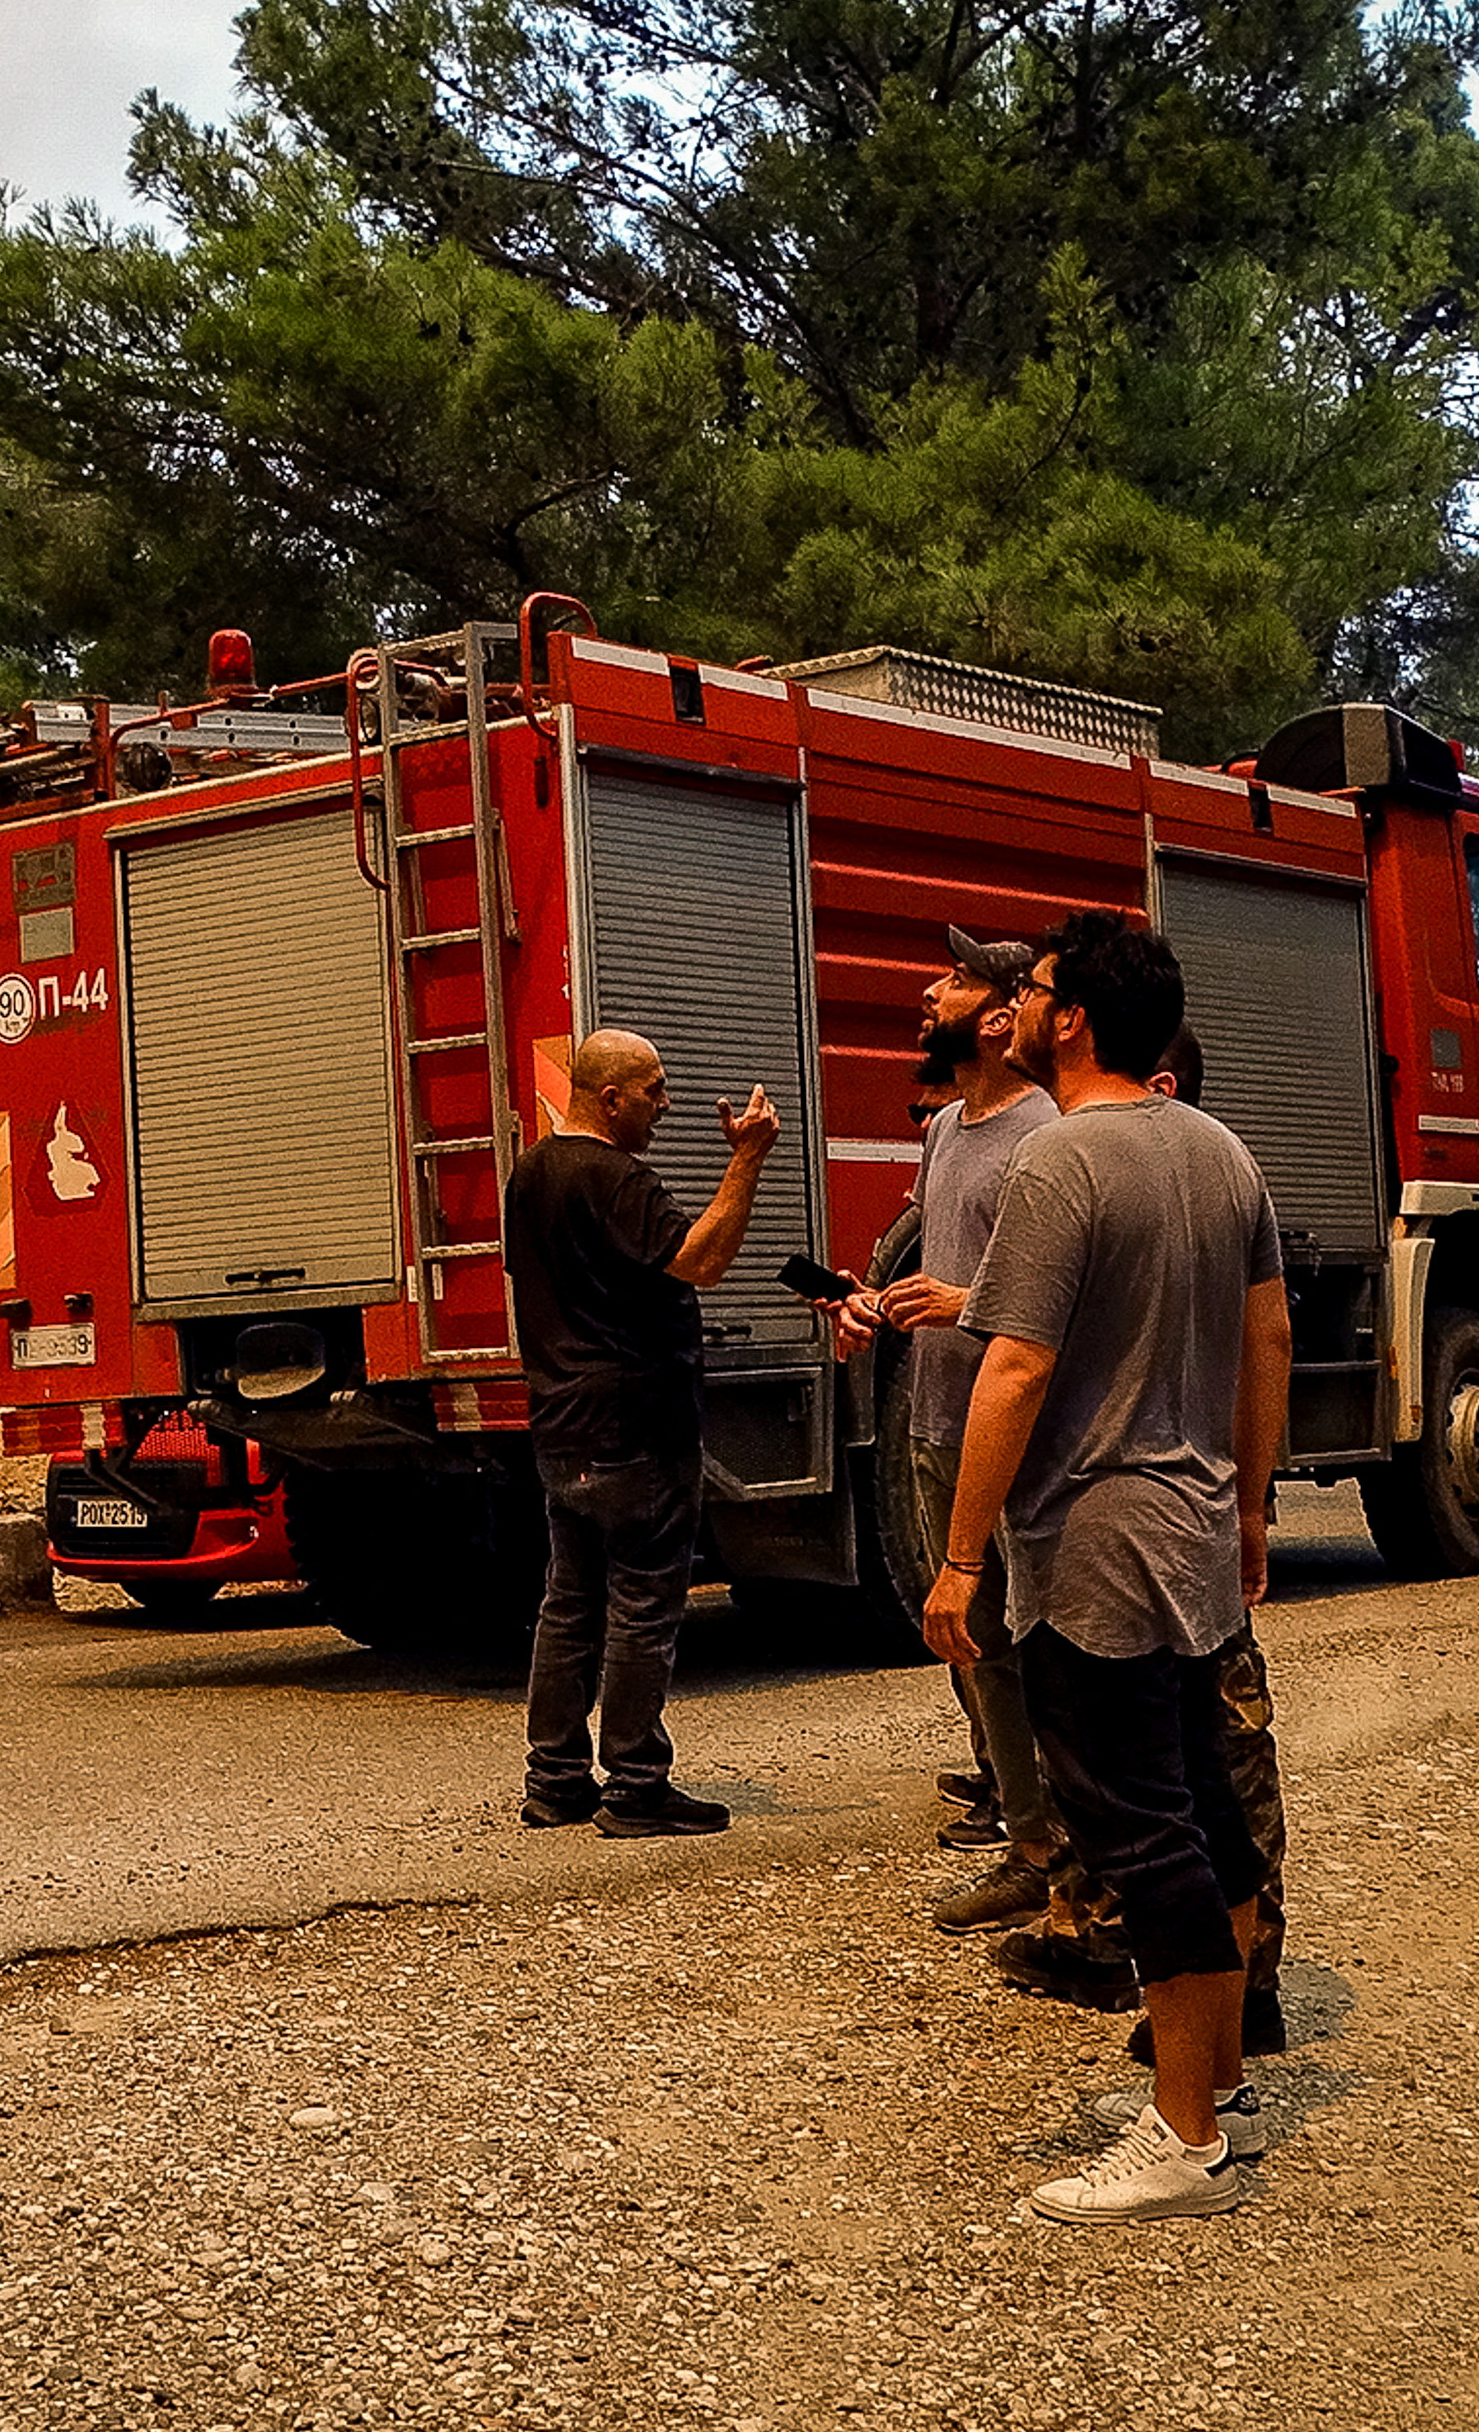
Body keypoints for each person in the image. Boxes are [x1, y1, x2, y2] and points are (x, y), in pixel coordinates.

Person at [930, 908, 1290, 2225]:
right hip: (1194, 1536)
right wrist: (1249, 1509)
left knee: (1144, 1835)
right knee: (1208, 1805)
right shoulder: (1223, 1152)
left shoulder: (1062, 1164)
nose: (1007, 1006)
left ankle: (1183, 2138)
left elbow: (1014, 1366)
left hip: (1095, 1548)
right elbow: (1267, 1346)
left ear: (1072, 1016)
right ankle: (1226, 2086)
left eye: (1027, 990)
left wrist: (960, 1556)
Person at [833, 929, 1060, 1926]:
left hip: (1009, 1430)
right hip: (931, 1422)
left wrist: (957, 1300)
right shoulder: (946, 1131)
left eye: (959, 980)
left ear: (1003, 1014)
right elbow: (923, 1267)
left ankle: (1056, 1852)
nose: (931, 990)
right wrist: (868, 1304)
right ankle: (1027, 1836)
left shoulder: (1045, 1136)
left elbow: (1051, 1306)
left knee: (1025, 1647)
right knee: (970, 1646)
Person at [506, 1028, 781, 1837]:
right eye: (654, 1090)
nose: (665, 1105)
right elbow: (699, 1260)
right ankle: (635, 1782)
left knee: (568, 1600)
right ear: (611, 1096)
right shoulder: (617, 1176)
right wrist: (747, 1161)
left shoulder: (530, 1173)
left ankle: (553, 1777)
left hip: (561, 1421)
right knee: (642, 1605)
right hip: (636, 1426)